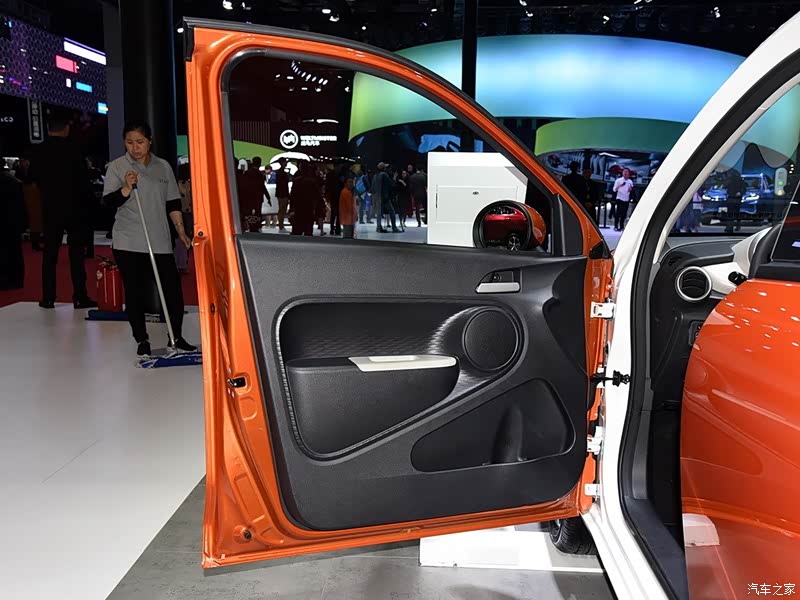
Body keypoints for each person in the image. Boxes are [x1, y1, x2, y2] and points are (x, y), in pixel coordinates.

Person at [102, 121, 196, 357]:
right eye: (129, 142)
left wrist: (181, 231)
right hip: (128, 241)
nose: (135, 148)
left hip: (159, 240)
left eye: (140, 142)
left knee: (172, 291)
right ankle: (141, 339)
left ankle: (176, 337)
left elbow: (172, 202)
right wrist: (126, 188)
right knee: (135, 292)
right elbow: (108, 202)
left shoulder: (163, 166)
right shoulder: (117, 167)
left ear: (150, 141)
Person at [31, 114, 96, 309]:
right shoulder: (74, 149)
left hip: (51, 208)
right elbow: (84, 182)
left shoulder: (39, 151)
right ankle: (80, 296)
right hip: (75, 208)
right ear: (66, 128)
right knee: (76, 254)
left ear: (48, 128)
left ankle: (48, 297)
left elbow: (33, 178)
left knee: (49, 254)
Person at [0, 165, 26, 290]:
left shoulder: (12, 182)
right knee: (14, 251)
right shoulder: (14, 182)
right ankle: (16, 280)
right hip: (13, 221)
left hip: (5, 221)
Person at [15, 157, 43, 251]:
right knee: (35, 223)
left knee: (34, 223)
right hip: (34, 202)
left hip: (29, 201)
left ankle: (34, 243)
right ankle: (35, 243)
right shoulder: (32, 184)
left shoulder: (23, 181)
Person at [287, 162, 318, 236]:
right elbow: (315, 196)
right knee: (308, 230)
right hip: (308, 206)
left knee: (297, 229)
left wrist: (291, 208)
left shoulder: (296, 181)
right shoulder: (312, 181)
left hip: (298, 206)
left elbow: (293, 196)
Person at [238, 156, 268, 233]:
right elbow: (262, 186)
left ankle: (250, 225)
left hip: (249, 197)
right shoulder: (260, 174)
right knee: (257, 212)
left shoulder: (247, 173)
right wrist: (268, 197)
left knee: (249, 212)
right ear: (259, 164)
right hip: (258, 197)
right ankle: (256, 226)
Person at [175, 162, 194, 273]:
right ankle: (181, 262)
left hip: (186, 212)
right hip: (183, 212)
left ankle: (182, 262)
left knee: (183, 236)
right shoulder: (182, 184)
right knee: (183, 236)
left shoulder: (182, 184)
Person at [371, 162, 399, 233]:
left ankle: (378, 228)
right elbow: (391, 184)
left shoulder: (375, 176)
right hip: (385, 197)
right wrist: (394, 178)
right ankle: (394, 228)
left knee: (379, 213)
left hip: (377, 197)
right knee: (392, 212)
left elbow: (372, 188)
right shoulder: (384, 175)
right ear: (383, 168)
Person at [275, 157, 291, 232]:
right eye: (285, 162)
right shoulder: (281, 173)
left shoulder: (280, 172)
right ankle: (281, 226)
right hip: (282, 194)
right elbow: (282, 184)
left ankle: (281, 225)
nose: (286, 163)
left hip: (282, 193)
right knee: (282, 210)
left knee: (282, 210)